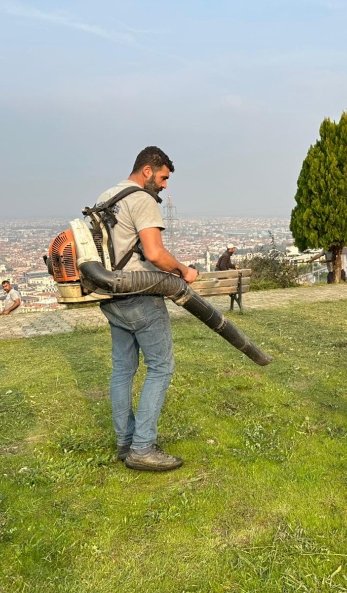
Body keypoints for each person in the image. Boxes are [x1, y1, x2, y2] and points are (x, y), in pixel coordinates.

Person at [97, 146, 198, 472]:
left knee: (123, 370)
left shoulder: (108, 196)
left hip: (111, 293)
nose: (165, 185)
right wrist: (183, 270)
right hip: (140, 294)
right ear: (147, 171)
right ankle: (142, 448)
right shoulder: (140, 199)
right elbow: (154, 253)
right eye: (164, 177)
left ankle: (125, 442)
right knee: (161, 367)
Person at [215, 244, 241, 310]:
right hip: (221, 275)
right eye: (233, 249)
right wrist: (227, 275)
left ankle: (232, 297)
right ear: (230, 249)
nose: (234, 250)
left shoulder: (226, 255)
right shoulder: (226, 256)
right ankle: (234, 298)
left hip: (220, 274)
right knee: (231, 287)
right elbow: (222, 266)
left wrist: (234, 266)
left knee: (231, 287)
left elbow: (228, 264)